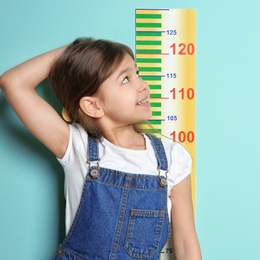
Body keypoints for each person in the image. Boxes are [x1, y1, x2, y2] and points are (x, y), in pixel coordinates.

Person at [0, 37, 202, 260]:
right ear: (93, 106)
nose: (143, 85)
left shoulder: (172, 157)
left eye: (138, 74)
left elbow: (186, 241)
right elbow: (12, 82)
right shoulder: (76, 146)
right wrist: (73, 50)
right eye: (126, 79)